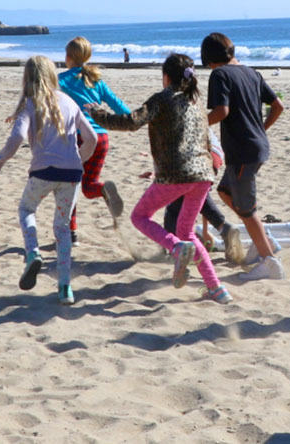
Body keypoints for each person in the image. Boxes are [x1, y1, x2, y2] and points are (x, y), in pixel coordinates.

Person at [90, 53, 233, 304]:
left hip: (176, 174)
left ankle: (176, 248)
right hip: (204, 175)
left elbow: (131, 122)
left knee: (139, 217)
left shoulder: (162, 99)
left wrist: (97, 115)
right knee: (186, 232)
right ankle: (217, 288)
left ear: (166, 77)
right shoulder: (196, 101)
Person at [0, 55, 97, 305]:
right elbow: (92, 138)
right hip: (71, 175)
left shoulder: (29, 103)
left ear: (27, 78)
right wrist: (78, 160)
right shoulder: (69, 101)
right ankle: (65, 288)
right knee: (62, 228)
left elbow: (16, 139)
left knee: (26, 209)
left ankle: (33, 253)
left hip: (42, 173)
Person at [201, 33, 285, 281]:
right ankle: (265, 241)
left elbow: (221, 111)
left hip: (243, 151)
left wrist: (195, 124)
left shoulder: (220, 75)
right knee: (226, 192)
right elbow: (278, 106)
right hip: (256, 147)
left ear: (209, 60)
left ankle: (269, 261)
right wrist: (261, 130)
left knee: (247, 210)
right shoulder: (252, 72)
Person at [57, 37, 129, 242]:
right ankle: (103, 189)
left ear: (68, 57)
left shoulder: (61, 80)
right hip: (102, 138)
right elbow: (121, 109)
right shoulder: (97, 80)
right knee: (89, 187)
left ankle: (70, 232)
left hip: (78, 137)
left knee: (69, 184)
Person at [163, 128, 240, 260]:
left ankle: (175, 249)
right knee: (198, 192)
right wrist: (205, 230)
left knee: (173, 207)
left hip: (195, 155)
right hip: (214, 155)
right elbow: (204, 196)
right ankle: (223, 227)